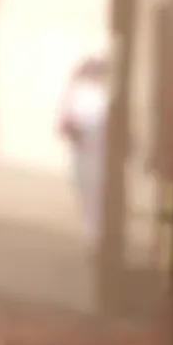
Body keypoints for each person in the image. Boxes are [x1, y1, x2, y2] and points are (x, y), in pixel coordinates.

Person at [56, 51, 111, 247]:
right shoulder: (79, 92)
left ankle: (96, 235)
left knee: (95, 194)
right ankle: (94, 236)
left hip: (99, 154)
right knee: (88, 193)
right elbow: (65, 124)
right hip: (85, 152)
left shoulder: (102, 94)